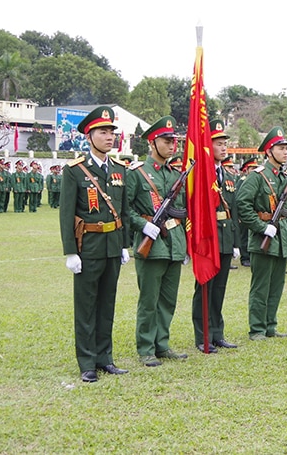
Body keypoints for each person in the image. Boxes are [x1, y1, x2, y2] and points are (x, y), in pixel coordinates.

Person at [58, 106, 131, 383]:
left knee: (107, 305)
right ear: (89, 136)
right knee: (86, 307)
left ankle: (105, 358)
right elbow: (66, 214)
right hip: (88, 246)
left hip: (112, 246)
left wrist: (124, 244)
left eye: (112, 132)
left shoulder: (119, 170)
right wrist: (70, 252)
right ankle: (87, 362)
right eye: (103, 132)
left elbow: (122, 210)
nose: (109, 137)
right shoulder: (75, 171)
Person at [128, 115, 189, 367]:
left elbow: (182, 208)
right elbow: (125, 208)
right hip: (151, 244)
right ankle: (146, 348)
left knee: (168, 300)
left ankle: (162, 344)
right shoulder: (137, 173)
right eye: (166, 141)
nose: (172, 145)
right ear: (152, 143)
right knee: (149, 300)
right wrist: (145, 225)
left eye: (174, 141)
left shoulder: (175, 174)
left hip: (174, 242)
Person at [236, 126, 287, 341]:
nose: (285, 152)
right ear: (269, 151)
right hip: (264, 239)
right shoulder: (257, 176)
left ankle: (270, 325)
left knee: (276, 286)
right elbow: (242, 205)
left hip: (281, 240)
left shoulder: (285, 177)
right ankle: (257, 328)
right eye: (280, 148)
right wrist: (261, 228)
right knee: (261, 287)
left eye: (286, 148)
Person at [192, 119, 242, 354]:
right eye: (218, 144)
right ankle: (203, 336)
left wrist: (235, 243)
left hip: (224, 238)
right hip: (208, 238)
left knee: (219, 289)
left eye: (225, 144)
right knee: (204, 288)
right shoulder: (201, 174)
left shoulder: (228, 175)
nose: (223, 148)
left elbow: (234, 212)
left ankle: (217, 333)